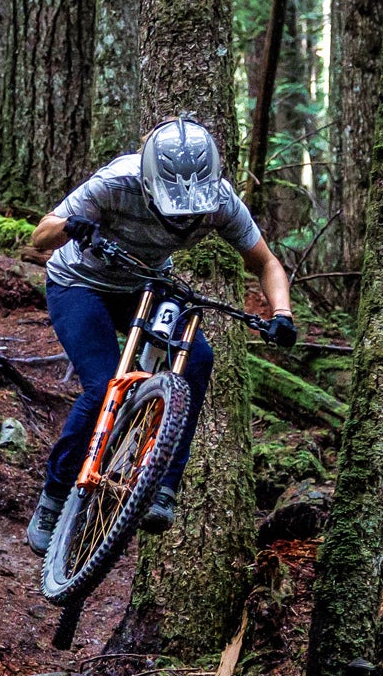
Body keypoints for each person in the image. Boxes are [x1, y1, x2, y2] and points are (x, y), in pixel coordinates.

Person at [26, 117, 297, 554]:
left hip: (145, 285)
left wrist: (281, 313)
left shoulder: (221, 201)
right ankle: (54, 496)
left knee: (199, 359)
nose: (185, 214)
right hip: (80, 283)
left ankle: (164, 486)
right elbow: (40, 236)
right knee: (102, 386)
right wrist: (72, 226)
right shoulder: (116, 182)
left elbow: (266, 262)